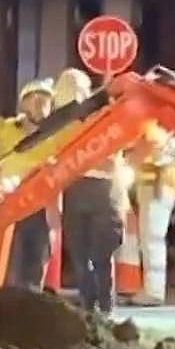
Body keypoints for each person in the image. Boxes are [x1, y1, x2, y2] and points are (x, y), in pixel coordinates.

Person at [0, 78, 57, 291]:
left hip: (40, 204)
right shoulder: (7, 128)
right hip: (10, 203)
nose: (40, 105)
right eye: (35, 100)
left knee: (37, 260)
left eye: (45, 100)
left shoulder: (56, 132)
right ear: (24, 104)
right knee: (12, 262)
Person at [58, 68, 126, 316]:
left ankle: (104, 310)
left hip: (102, 190)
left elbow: (113, 156)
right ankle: (91, 309)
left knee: (100, 256)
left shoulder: (105, 118)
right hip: (77, 190)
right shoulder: (63, 122)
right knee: (81, 256)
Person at [127, 125, 175, 306]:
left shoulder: (150, 131)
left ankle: (153, 291)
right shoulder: (153, 131)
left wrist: (126, 156)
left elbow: (139, 158)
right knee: (150, 242)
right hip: (155, 192)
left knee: (152, 242)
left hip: (156, 193)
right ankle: (152, 289)